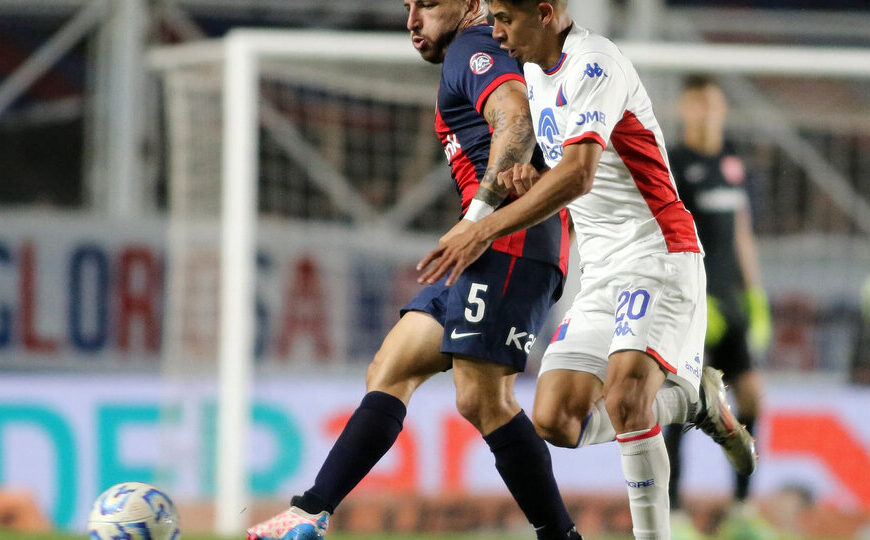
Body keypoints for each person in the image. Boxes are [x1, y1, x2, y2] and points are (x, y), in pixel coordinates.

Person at [416, 1, 757, 538]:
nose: (496, 32)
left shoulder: (597, 64)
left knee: (625, 399)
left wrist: (482, 227)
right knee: (556, 419)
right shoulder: (533, 72)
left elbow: (579, 174)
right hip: (601, 271)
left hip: (656, 252)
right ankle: (692, 400)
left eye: (505, 18)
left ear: (546, 14)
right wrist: (531, 174)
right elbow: (560, 162)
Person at [247, 1, 582, 539]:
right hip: (485, 240)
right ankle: (310, 512)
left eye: (427, 4)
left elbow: (515, 120)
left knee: (482, 398)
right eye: (408, 6)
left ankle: (561, 537)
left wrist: (477, 219)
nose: (412, 20)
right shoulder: (478, 50)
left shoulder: (471, 50)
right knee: (392, 366)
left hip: (508, 238)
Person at [663, 75, 772, 539]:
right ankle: (673, 513)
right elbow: (664, 234)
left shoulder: (733, 164)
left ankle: (742, 510)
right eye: (699, 104)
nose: (708, 112)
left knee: (751, 399)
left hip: (732, 304)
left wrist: (756, 294)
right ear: (686, 108)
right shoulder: (674, 162)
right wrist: (687, 293)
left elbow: (741, 231)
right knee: (684, 404)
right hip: (692, 305)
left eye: (714, 104)